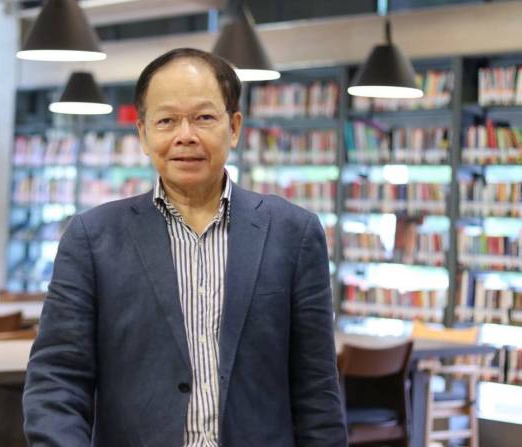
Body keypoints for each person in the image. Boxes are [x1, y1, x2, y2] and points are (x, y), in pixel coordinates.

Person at [23, 47, 347, 447]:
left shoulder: (293, 234)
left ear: (234, 127)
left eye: (203, 118)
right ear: (143, 134)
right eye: (166, 120)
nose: (185, 135)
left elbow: (317, 389)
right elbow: (56, 380)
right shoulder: (92, 238)